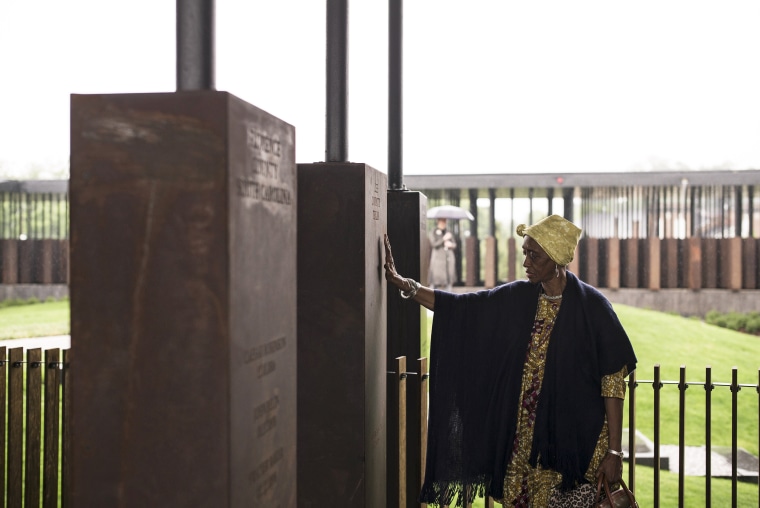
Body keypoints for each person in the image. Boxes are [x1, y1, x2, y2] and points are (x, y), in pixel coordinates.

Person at [384, 215, 637, 507]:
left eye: (534, 255)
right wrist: (406, 285)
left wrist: (615, 452)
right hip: (522, 451)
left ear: (556, 258)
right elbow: (462, 309)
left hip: (576, 451)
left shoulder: (593, 309)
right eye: (525, 253)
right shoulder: (519, 298)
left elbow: (614, 381)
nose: (526, 262)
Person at [428, 218, 457, 291]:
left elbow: (454, 244)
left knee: (449, 278)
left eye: (445, 221)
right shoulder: (433, 231)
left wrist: (451, 244)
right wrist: (443, 239)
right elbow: (434, 244)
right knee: (435, 278)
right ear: (438, 221)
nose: (444, 223)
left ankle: (449, 294)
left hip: (448, 258)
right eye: (442, 221)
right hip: (438, 259)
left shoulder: (448, 232)